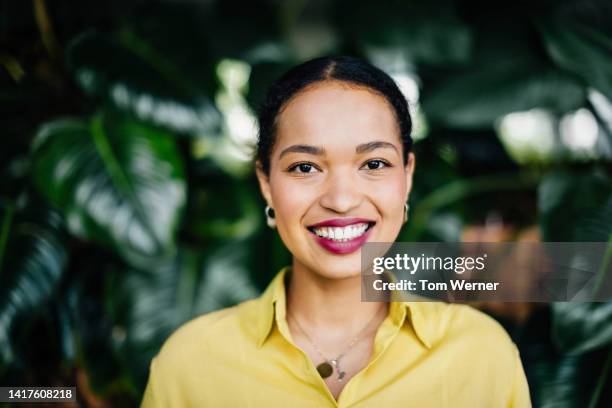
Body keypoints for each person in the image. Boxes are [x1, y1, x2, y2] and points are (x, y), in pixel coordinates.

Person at [141, 56, 531, 407]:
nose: (342, 201)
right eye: (305, 167)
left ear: (407, 176)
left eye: (374, 163)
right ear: (265, 182)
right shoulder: (191, 364)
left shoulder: (481, 355)